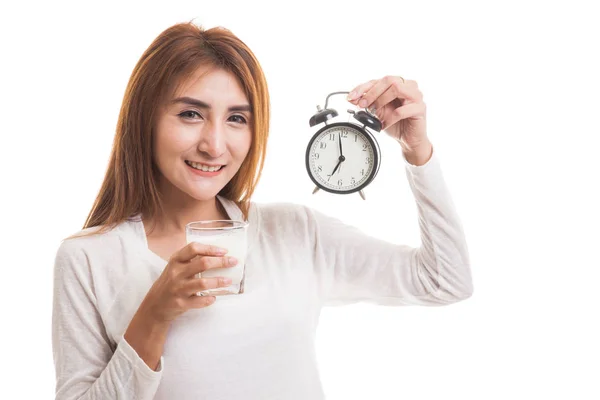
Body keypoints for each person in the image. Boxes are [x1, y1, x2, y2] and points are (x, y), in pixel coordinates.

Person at [51, 21, 473, 400]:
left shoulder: (294, 233)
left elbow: (445, 281)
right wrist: (154, 314)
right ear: (145, 119)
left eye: (236, 119)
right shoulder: (88, 259)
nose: (214, 145)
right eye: (191, 114)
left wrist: (417, 150)